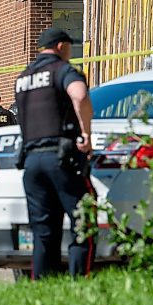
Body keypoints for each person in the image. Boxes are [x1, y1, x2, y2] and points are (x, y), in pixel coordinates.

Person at [15, 28, 94, 279]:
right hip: (62, 159)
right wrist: (87, 134)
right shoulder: (62, 70)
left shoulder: (23, 77)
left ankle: (43, 287)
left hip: (31, 162)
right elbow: (79, 96)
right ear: (61, 46)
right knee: (84, 221)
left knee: (43, 231)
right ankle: (80, 281)